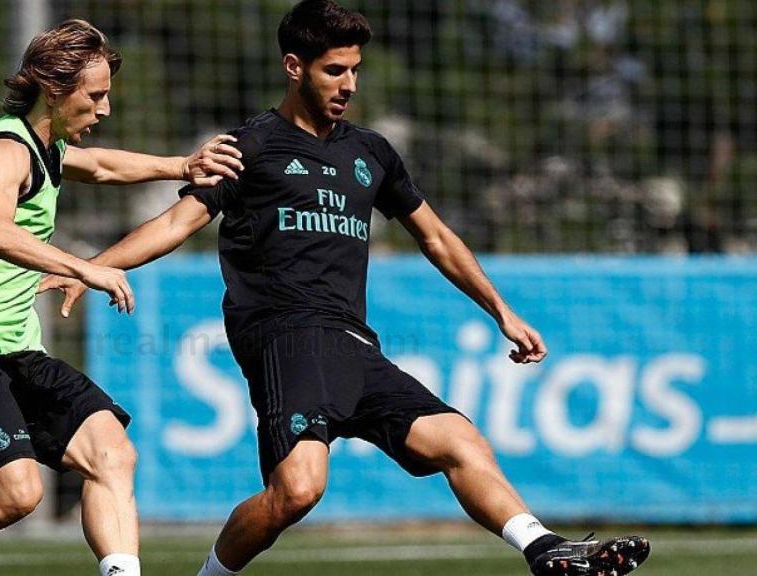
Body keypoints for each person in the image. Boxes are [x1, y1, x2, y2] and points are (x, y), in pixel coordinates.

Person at [44, 2, 652, 575]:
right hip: (285, 336)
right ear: (294, 68)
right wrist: (90, 266)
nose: (349, 84)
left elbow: (436, 237)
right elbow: (177, 223)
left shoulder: (372, 153)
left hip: (354, 344)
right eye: (335, 69)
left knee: (459, 440)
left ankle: (546, 552)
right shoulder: (251, 147)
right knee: (298, 491)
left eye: (355, 70)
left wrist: (502, 311)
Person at [0, 18, 243, 576]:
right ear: (55, 90)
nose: (105, 109)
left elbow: (104, 165)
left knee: (111, 452)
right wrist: (87, 268)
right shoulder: (4, 149)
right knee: (15, 496)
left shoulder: (47, 148)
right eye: (96, 95)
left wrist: (181, 165)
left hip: (14, 349)